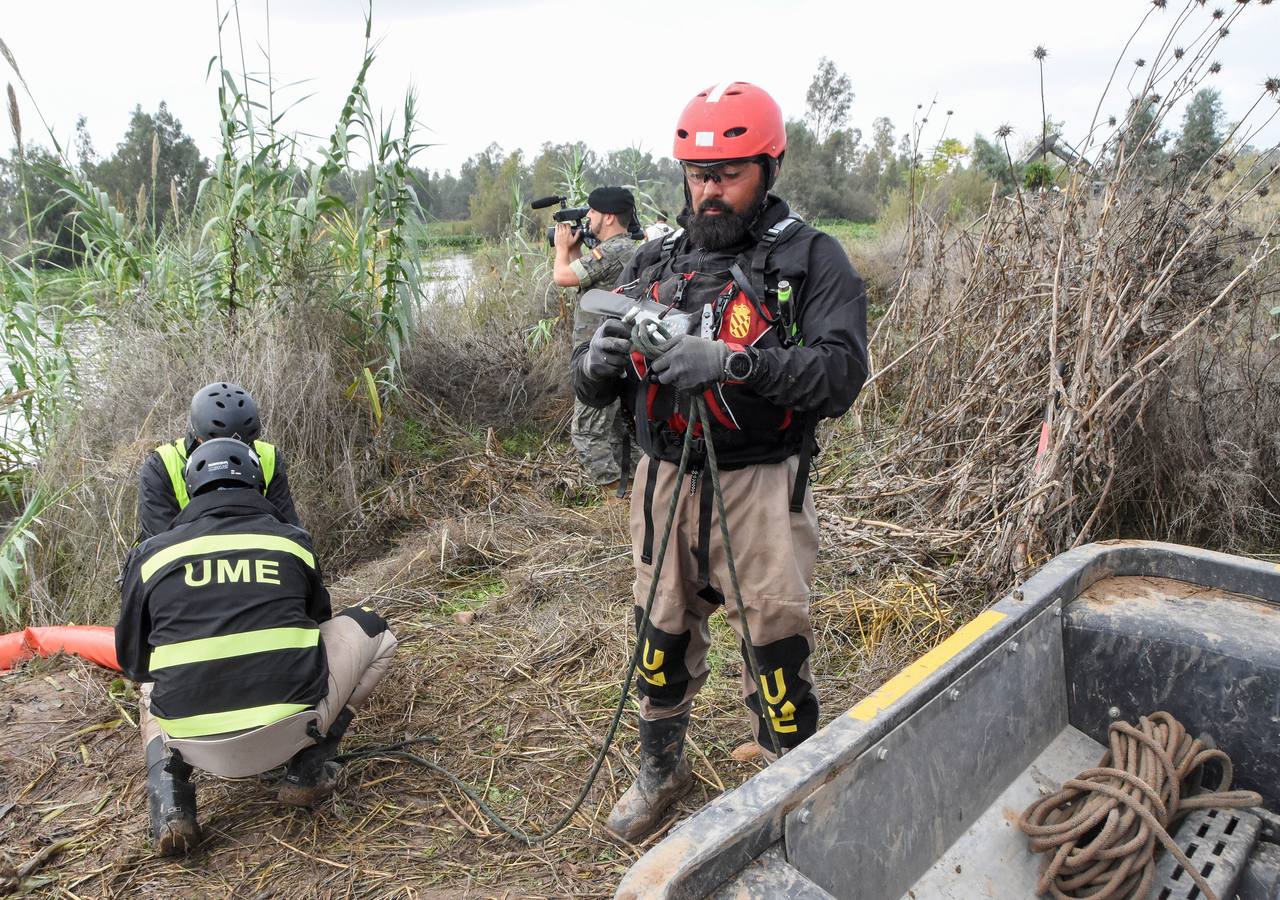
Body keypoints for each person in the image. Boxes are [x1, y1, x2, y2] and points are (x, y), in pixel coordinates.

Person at [571, 81, 869, 841]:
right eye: (698, 175)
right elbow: (587, 383)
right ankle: (661, 769)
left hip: (762, 481)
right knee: (660, 629)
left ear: (769, 166)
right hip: (663, 477)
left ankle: (789, 777)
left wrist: (734, 365)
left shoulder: (812, 259)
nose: (709, 191)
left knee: (774, 635)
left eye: (728, 174)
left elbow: (840, 374)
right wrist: (598, 364)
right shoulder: (654, 256)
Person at [116, 438, 397, 855]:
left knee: (148, 686)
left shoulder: (151, 556)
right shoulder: (291, 541)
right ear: (257, 484)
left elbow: (134, 664)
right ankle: (308, 768)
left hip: (193, 744)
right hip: (288, 731)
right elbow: (320, 622)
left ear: (190, 489)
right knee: (376, 631)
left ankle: (171, 801)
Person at [552, 187, 641, 497]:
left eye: (591, 212)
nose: (587, 217)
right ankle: (636, 491)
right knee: (620, 430)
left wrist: (561, 247)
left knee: (587, 429)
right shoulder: (628, 249)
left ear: (609, 216)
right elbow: (583, 276)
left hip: (599, 357)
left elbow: (563, 277)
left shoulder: (614, 251)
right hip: (615, 353)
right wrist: (575, 249)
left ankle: (612, 501)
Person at [136, 381, 299, 540]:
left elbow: (286, 527)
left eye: (244, 445)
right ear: (197, 437)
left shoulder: (269, 455)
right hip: (189, 558)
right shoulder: (162, 464)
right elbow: (159, 543)